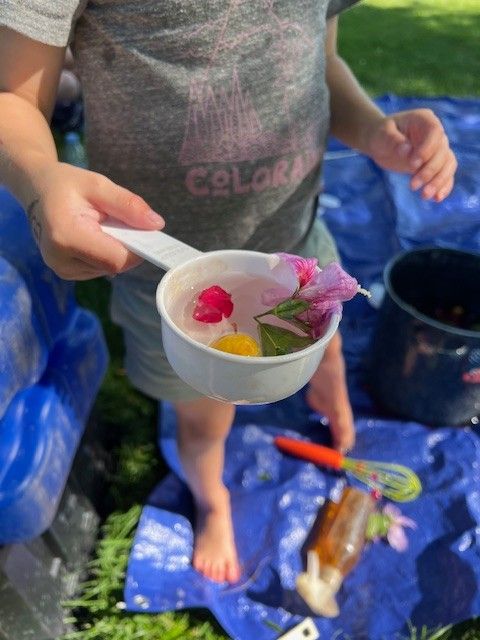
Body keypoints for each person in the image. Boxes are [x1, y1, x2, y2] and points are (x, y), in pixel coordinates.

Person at [0, 1, 456, 584]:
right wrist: (42, 178)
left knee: (329, 349)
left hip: (295, 242)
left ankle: (335, 412)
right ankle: (212, 499)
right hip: (161, 269)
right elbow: (14, 97)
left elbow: (322, 57)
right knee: (205, 415)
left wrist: (372, 129)